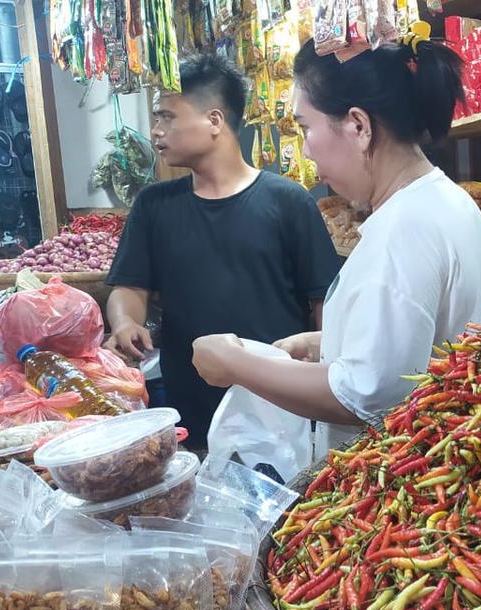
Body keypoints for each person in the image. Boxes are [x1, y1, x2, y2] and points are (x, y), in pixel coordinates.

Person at [191, 30, 481, 455]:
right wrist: (328, 341)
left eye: (306, 128)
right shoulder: (444, 200)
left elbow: (361, 396)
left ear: (358, 126)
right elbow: (420, 342)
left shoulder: (404, 229)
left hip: (412, 481)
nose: (308, 151)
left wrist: (236, 364)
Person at [106, 54, 340, 451]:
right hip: (191, 418)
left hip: (281, 414)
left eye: (167, 117)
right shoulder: (153, 206)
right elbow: (129, 285)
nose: (156, 131)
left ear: (214, 121)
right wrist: (126, 322)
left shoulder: (288, 202)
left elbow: (324, 304)